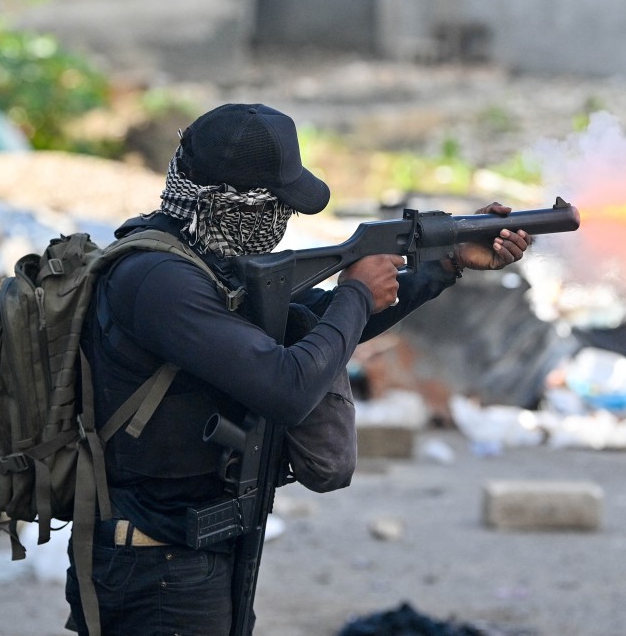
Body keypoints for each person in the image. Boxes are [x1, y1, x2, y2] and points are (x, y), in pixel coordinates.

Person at [65, 102, 531, 635]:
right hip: (155, 569)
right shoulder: (160, 280)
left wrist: (445, 263)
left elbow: (316, 329)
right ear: (235, 205)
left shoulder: (203, 260)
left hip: (187, 553)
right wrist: (357, 292)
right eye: (276, 207)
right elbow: (287, 387)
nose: (282, 222)